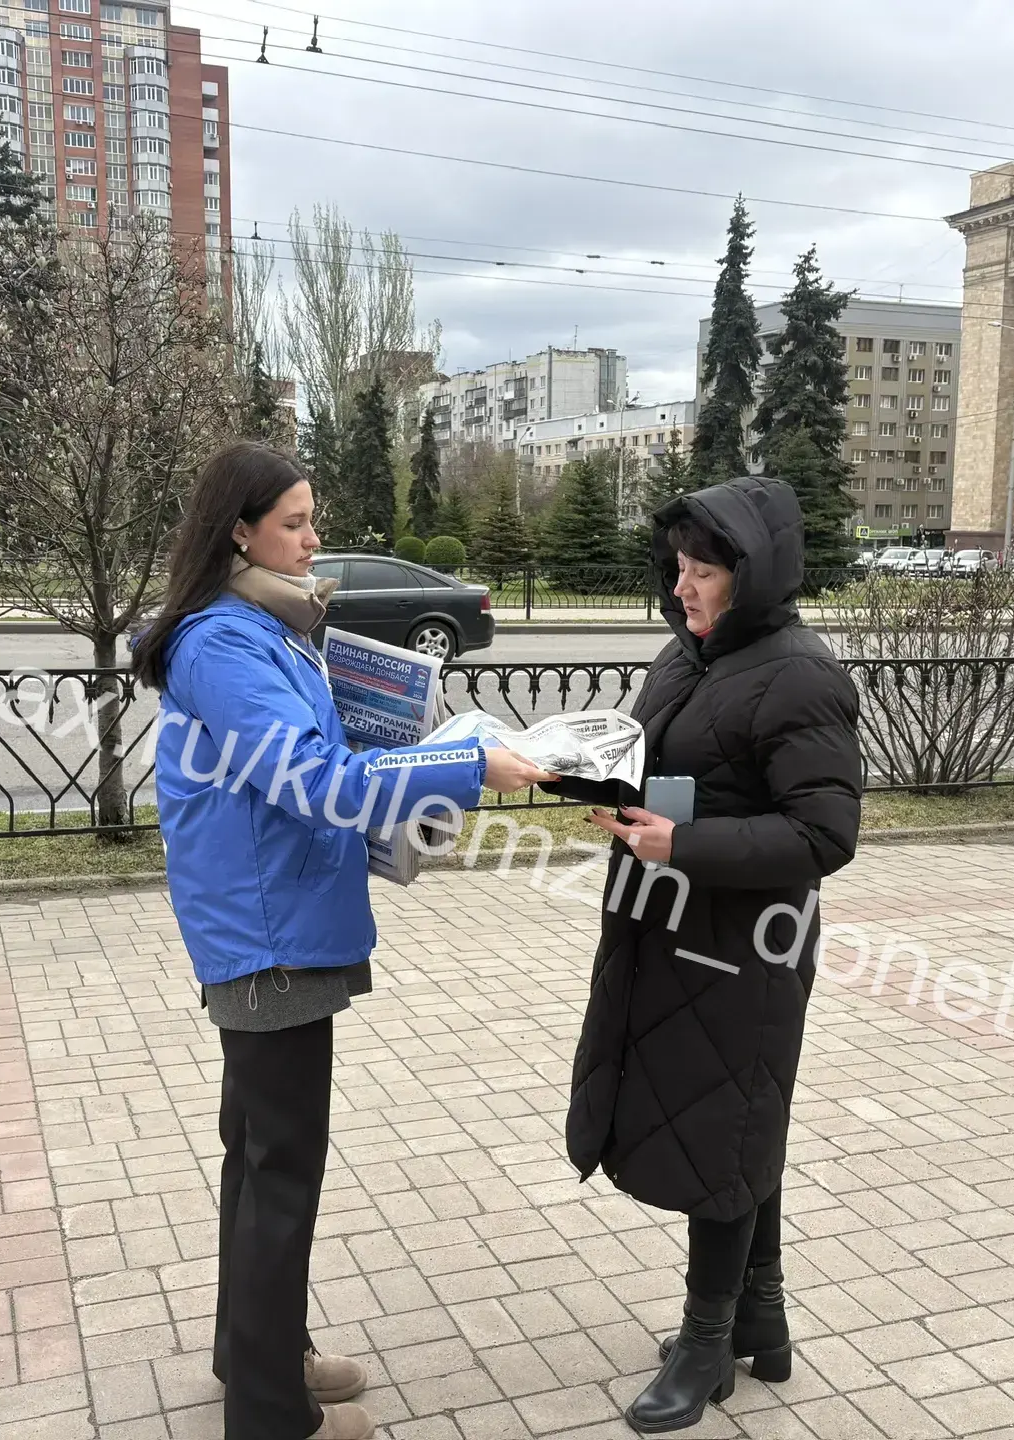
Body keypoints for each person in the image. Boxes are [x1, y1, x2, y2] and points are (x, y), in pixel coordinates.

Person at [131, 441, 551, 1440]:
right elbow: (313, 784)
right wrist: (466, 766)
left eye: (312, 519)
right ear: (240, 531)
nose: (314, 538)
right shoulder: (226, 644)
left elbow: (311, 759)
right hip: (268, 937)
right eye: (295, 522)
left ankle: (259, 1357)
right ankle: (272, 1416)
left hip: (279, 920)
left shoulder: (257, 628)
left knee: (257, 1160)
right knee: (280, 1173)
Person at [566, 475, 863, 1432]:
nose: (682, 585)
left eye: (703, 570)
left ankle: (706, 1346)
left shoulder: (801, 674)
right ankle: (760, 1319)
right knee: (739, 1123)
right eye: (678, 566)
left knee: (727, 1131)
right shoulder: (687, 656)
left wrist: (682, 845)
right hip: (666, 929)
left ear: (753, 573)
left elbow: (824, 835)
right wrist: (586, 778)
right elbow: (657, 760)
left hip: (745, 945)